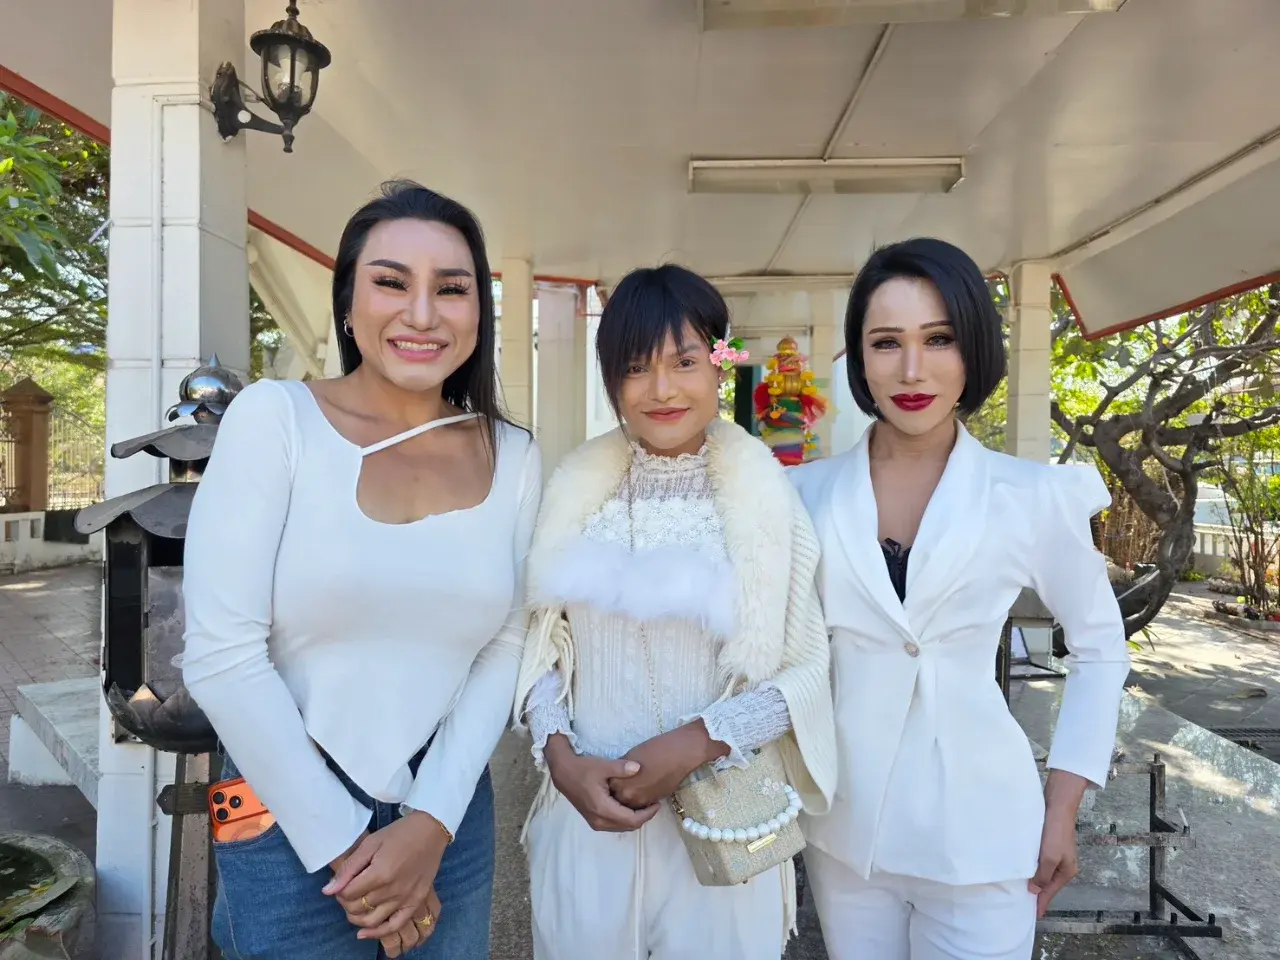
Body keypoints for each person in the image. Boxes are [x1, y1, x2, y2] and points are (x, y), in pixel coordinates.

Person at [182, 180, 542, 959]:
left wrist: (431, 823)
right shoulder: (276, 420)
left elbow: (509, 642)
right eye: (391, 282)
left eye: (452, 289)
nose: (422, 313)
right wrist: (349, 850)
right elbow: (219, 655)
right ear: (347, 303)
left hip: (447, 812)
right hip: (283, 808)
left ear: (478, 314)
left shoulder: (513, 455)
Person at [789, 237, 1131, 960]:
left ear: (973, 348)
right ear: (860, 358)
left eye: (938, 339)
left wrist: (1063, 804)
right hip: (847, 832)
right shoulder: (803, 495)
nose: (912, 370)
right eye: (887, 343)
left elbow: (1101, 647)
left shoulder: (1031, 494)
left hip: (984, 831)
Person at [512, 264, 837, 960]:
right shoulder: (572, 497)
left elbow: (806, 671)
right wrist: (561, 757)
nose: (661, 389)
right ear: (612, 380)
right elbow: (542, 644)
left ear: (719, 363)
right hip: (587, 821)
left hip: (724, 823)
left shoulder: (769, 503)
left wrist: (700, 740)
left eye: (684, 362)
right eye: (636, 368)